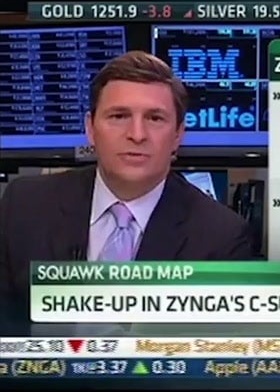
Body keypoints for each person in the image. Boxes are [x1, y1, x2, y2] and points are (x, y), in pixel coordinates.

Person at [0, 51, 255, 333]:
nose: (137, 134)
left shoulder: (221, 237)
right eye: (119, 116)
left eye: (155, 118)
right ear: (90, 128)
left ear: (178, 135)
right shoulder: (25, 205)